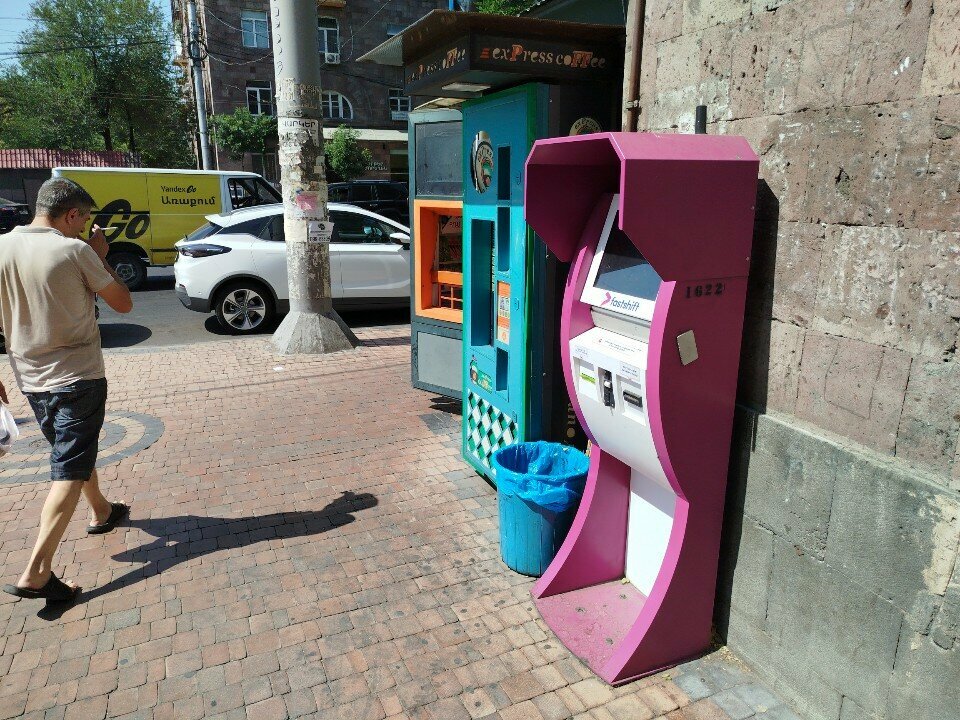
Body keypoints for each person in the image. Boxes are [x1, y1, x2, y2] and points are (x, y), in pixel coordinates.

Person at [0, 177, 133, 603]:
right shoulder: (74, 250)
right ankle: (37, 571)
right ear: (71, 214)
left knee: (70, 449)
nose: (85, 227)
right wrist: (101, 258)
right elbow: (122, 302)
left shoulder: (2, 246)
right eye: (84, 219)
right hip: (77, 377)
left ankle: (102, 511)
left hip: (29, 378)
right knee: (69, 468)